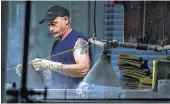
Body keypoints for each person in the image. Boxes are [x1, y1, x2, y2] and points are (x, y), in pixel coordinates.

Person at [16, 5, 92, 89]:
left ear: (66, 20)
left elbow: (84, 69)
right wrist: (31, 70)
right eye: (48, 25)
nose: (50, 29)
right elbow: (56, 73)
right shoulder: (57, 44)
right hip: (60, 95)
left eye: (53, 24)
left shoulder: (78, 40)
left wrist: (50, 65)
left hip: (75, 97)